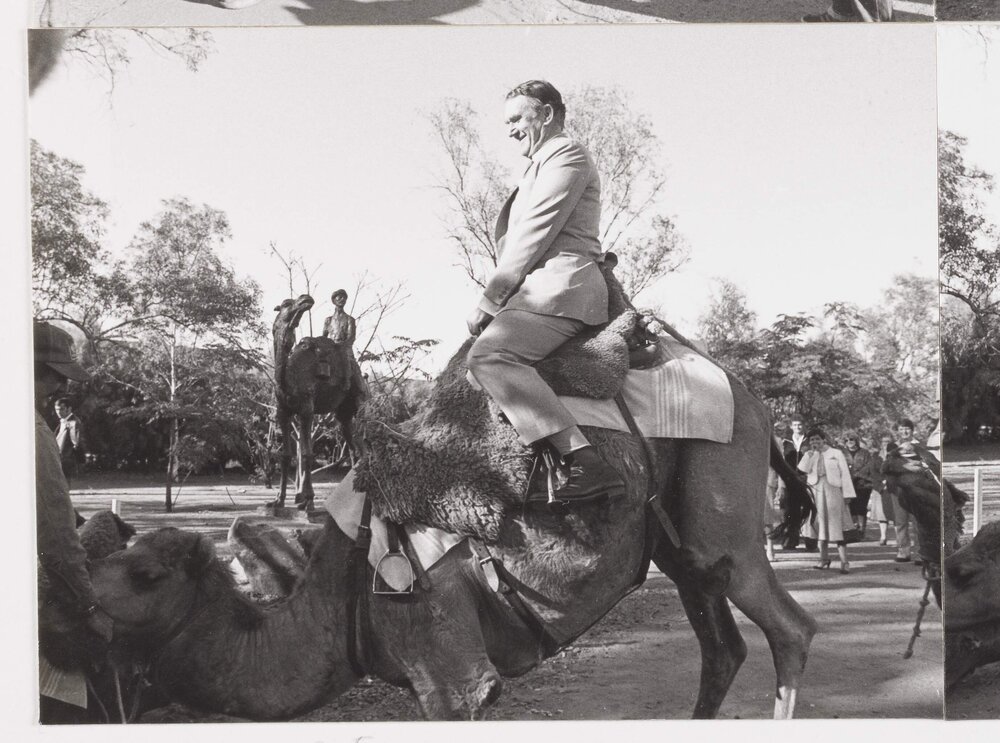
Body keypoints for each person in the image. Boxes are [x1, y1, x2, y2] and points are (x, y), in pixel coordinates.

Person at [465, 80, 623, 506]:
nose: (511, 129)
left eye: (517, 118)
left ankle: (585, 460)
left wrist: (490, 298)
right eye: (507, 122)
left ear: (548, 114)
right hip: (536, 292)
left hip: (562, 290)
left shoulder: (567, 154)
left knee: (488, 356)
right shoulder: (538, 164)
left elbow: (534, 234)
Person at [34, 322, 113, 723]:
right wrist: (90, 608)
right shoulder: (32, 431)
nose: (61, 391)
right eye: (55, 378)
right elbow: (57, 539)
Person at [798, 427, 857, 574]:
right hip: (815, 490)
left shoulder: (836, 453)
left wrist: (847, 494)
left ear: (823, 439)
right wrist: (810, 455)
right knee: (819, 525)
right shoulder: (809, 454)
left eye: (817, 439)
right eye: (812, 440)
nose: (815, 442)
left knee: (837, 525)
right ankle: (823, 558)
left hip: (833, 490)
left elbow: (845, 474)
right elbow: (802, 470)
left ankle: (844, 561)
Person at [323, 289, 368, 401]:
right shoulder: (328, 320)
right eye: (339, 297)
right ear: (334, 300)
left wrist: (341, 346)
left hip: (344, 348)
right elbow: (323, 337)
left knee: (350, 364)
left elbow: (351, 338)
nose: (342, 299)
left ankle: (355, 387)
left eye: (344, 297)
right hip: (330, 348)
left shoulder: (350, 319)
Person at [891, 418, 923, 564]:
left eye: (907, 428)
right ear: (897, 431)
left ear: (912, 430)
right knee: (900, 521)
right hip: (898, 488)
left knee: (917, 521)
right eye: (901, 429)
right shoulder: (893, 447)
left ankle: (920, 553)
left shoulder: (919, 446)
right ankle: (903, 551)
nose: (904, 431)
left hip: (915, 488)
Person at [843, 431, 877, 537]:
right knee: (851, 506)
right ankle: (854, 529)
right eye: (847, 440)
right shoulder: (842, 453)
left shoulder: (865, 453)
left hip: (863, 484)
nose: (849, 442)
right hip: (847, 483)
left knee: (861, 507)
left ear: (856, 440)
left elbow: (869, 466)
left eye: (851, 439)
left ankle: (861, 529)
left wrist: (858, 475)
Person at [867, 432, 896, 546]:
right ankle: (883, 536)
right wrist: (881, 484)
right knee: (881, 513)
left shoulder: (895, 455)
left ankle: (898, 537)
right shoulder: (875, 456)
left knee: (894, 513)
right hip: (879, 487)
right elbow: (872, 471)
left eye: (888, 442)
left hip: (893, 486)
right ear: (880, 443)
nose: (886, 444)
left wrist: (889, 481)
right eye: (884, 442)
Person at [54, 397, 83, 487]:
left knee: (64, 484)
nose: (58, 412)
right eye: (56, 410)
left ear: (69, 409)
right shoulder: (63, 421)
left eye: (61, 409)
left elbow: (76, 442)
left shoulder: (73, 422)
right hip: (59, 456)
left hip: (66, 457)